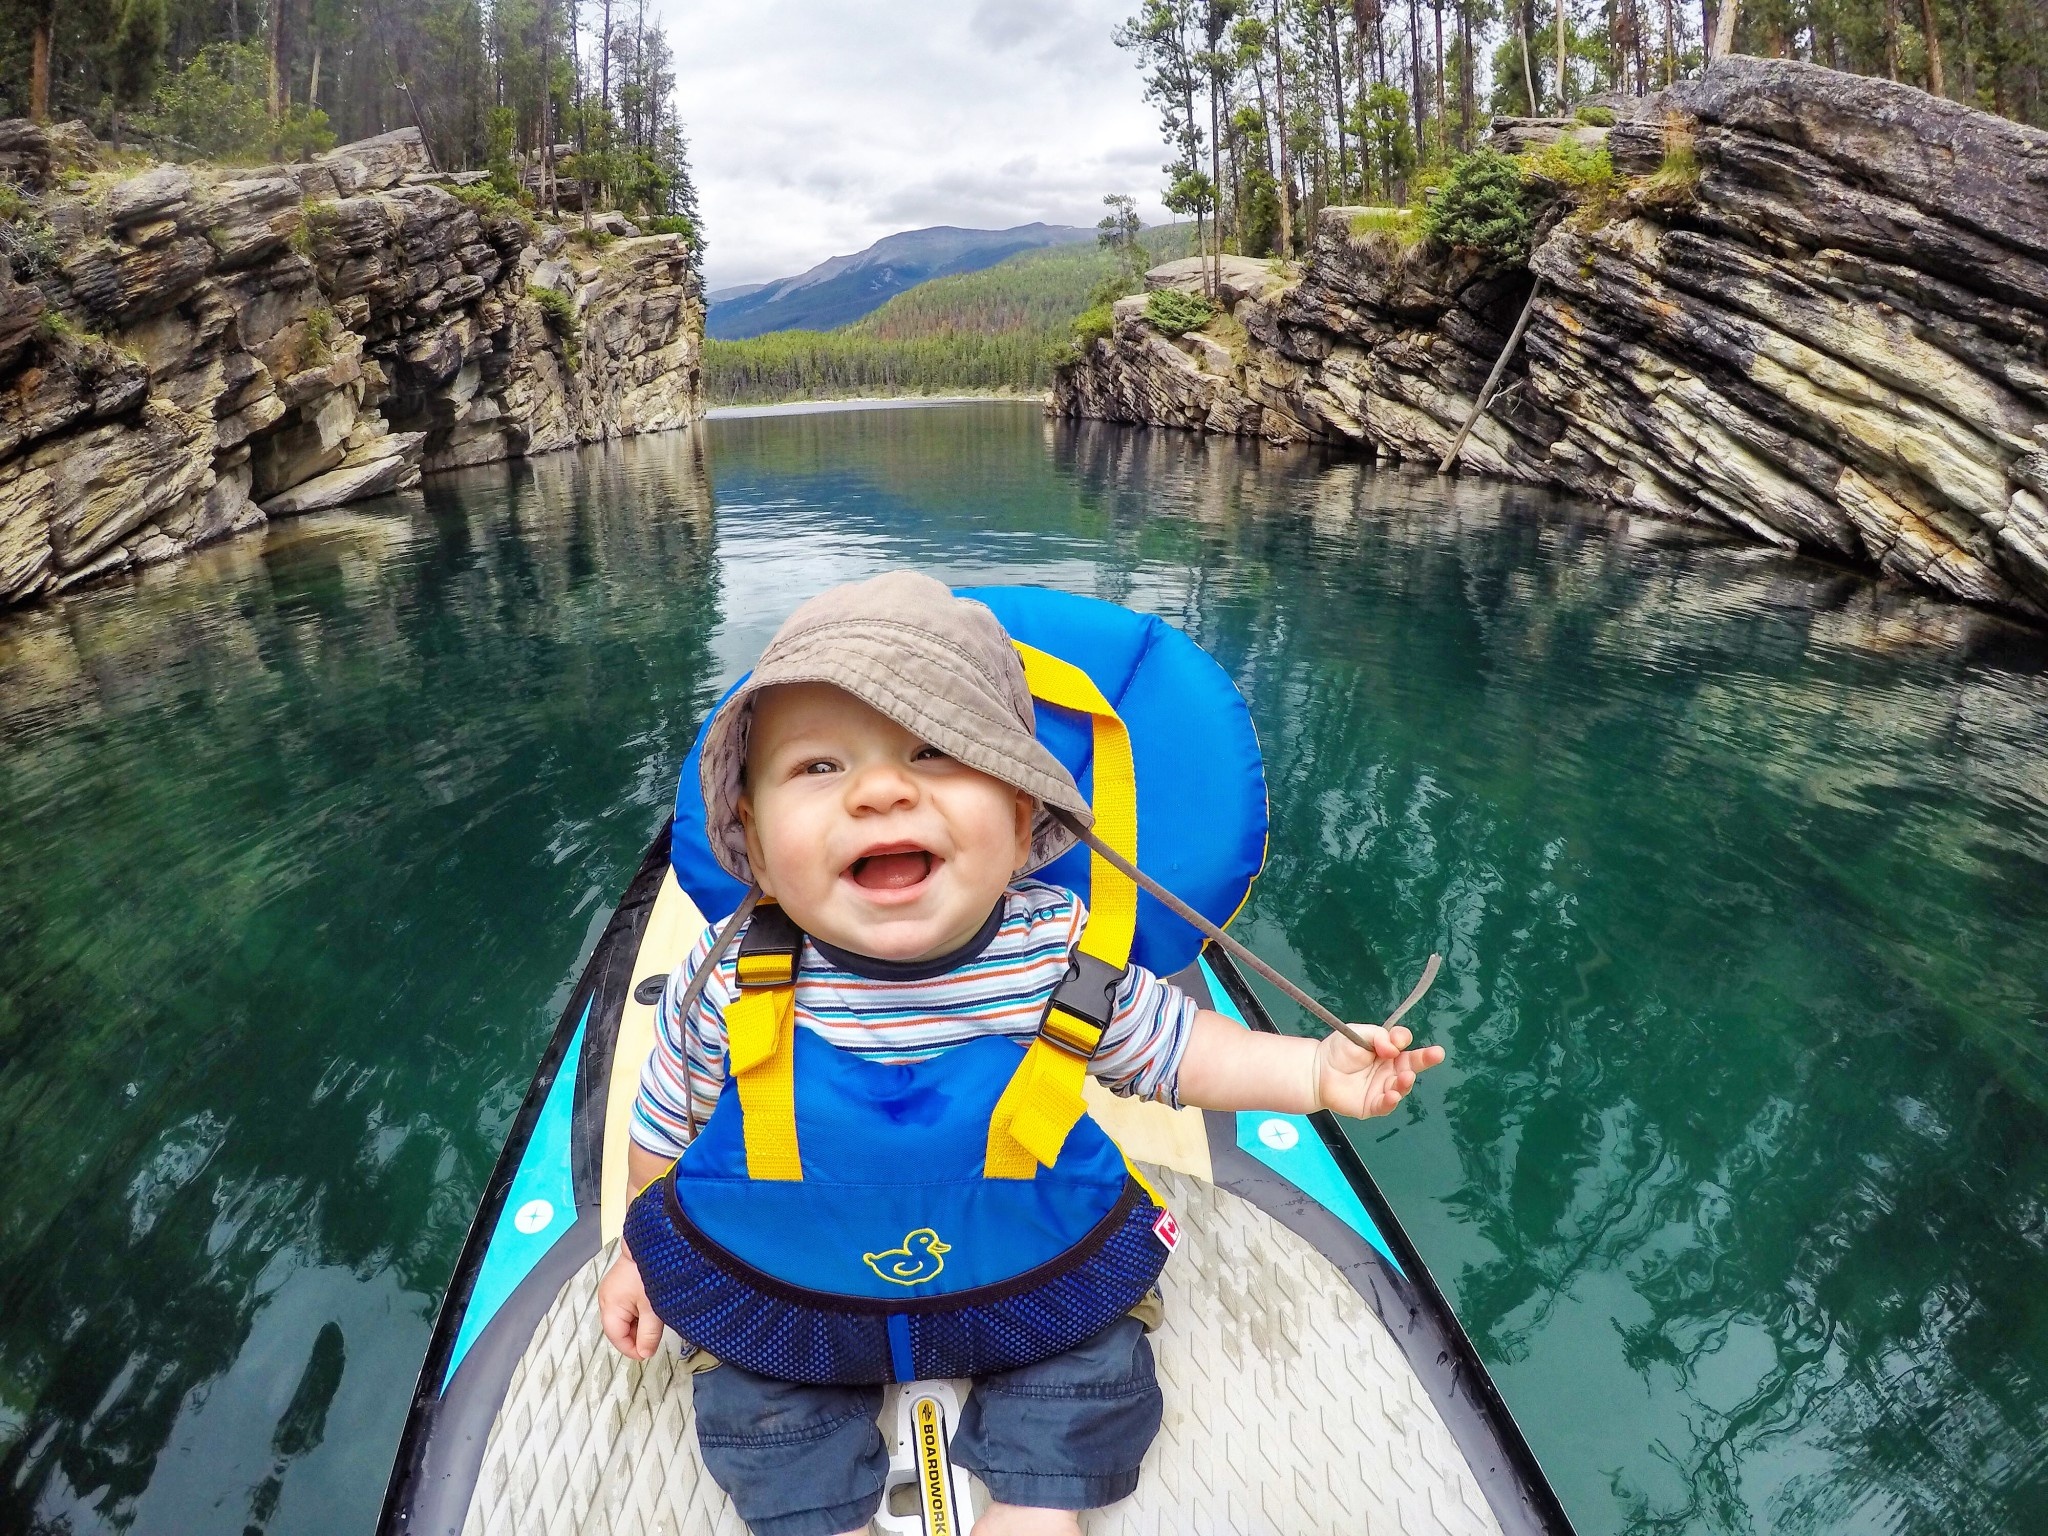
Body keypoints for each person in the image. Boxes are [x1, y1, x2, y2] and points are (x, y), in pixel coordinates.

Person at [597, 571, 1445, 1536]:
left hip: (1028, 1260)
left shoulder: (1053, 950)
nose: (880, 790)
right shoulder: (730, 975)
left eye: (937, 751)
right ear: (749, 833)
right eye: (819, 768)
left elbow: (1175, 1052)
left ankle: (1037, 1507)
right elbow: (664, 1125)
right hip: (793, 1276)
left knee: (1094, 1367)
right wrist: (639, 1248)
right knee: (754, 1406)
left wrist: (1310, 1072)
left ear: (1019, 814)